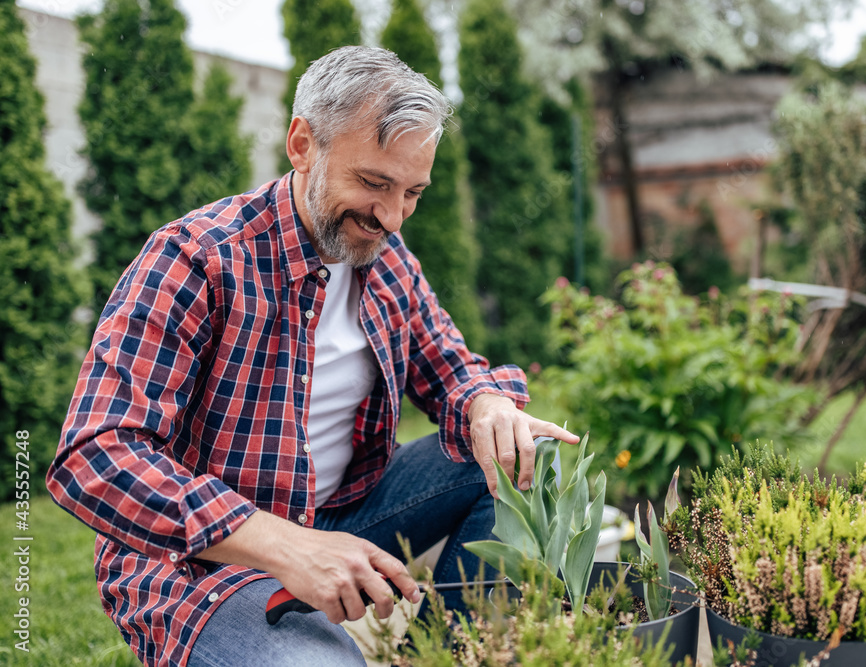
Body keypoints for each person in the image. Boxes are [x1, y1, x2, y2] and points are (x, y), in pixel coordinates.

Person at [47, 45, 578, 667]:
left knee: (524, 461)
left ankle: (449, 652)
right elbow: (92, 458)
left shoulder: (387, 257)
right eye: (374, 183)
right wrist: (286, 547)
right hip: (206, 562)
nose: (392, 217)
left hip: (344, 515)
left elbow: (449, 367)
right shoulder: (196, 259)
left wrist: (487, 404)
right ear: (303, 144)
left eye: (413, 192)